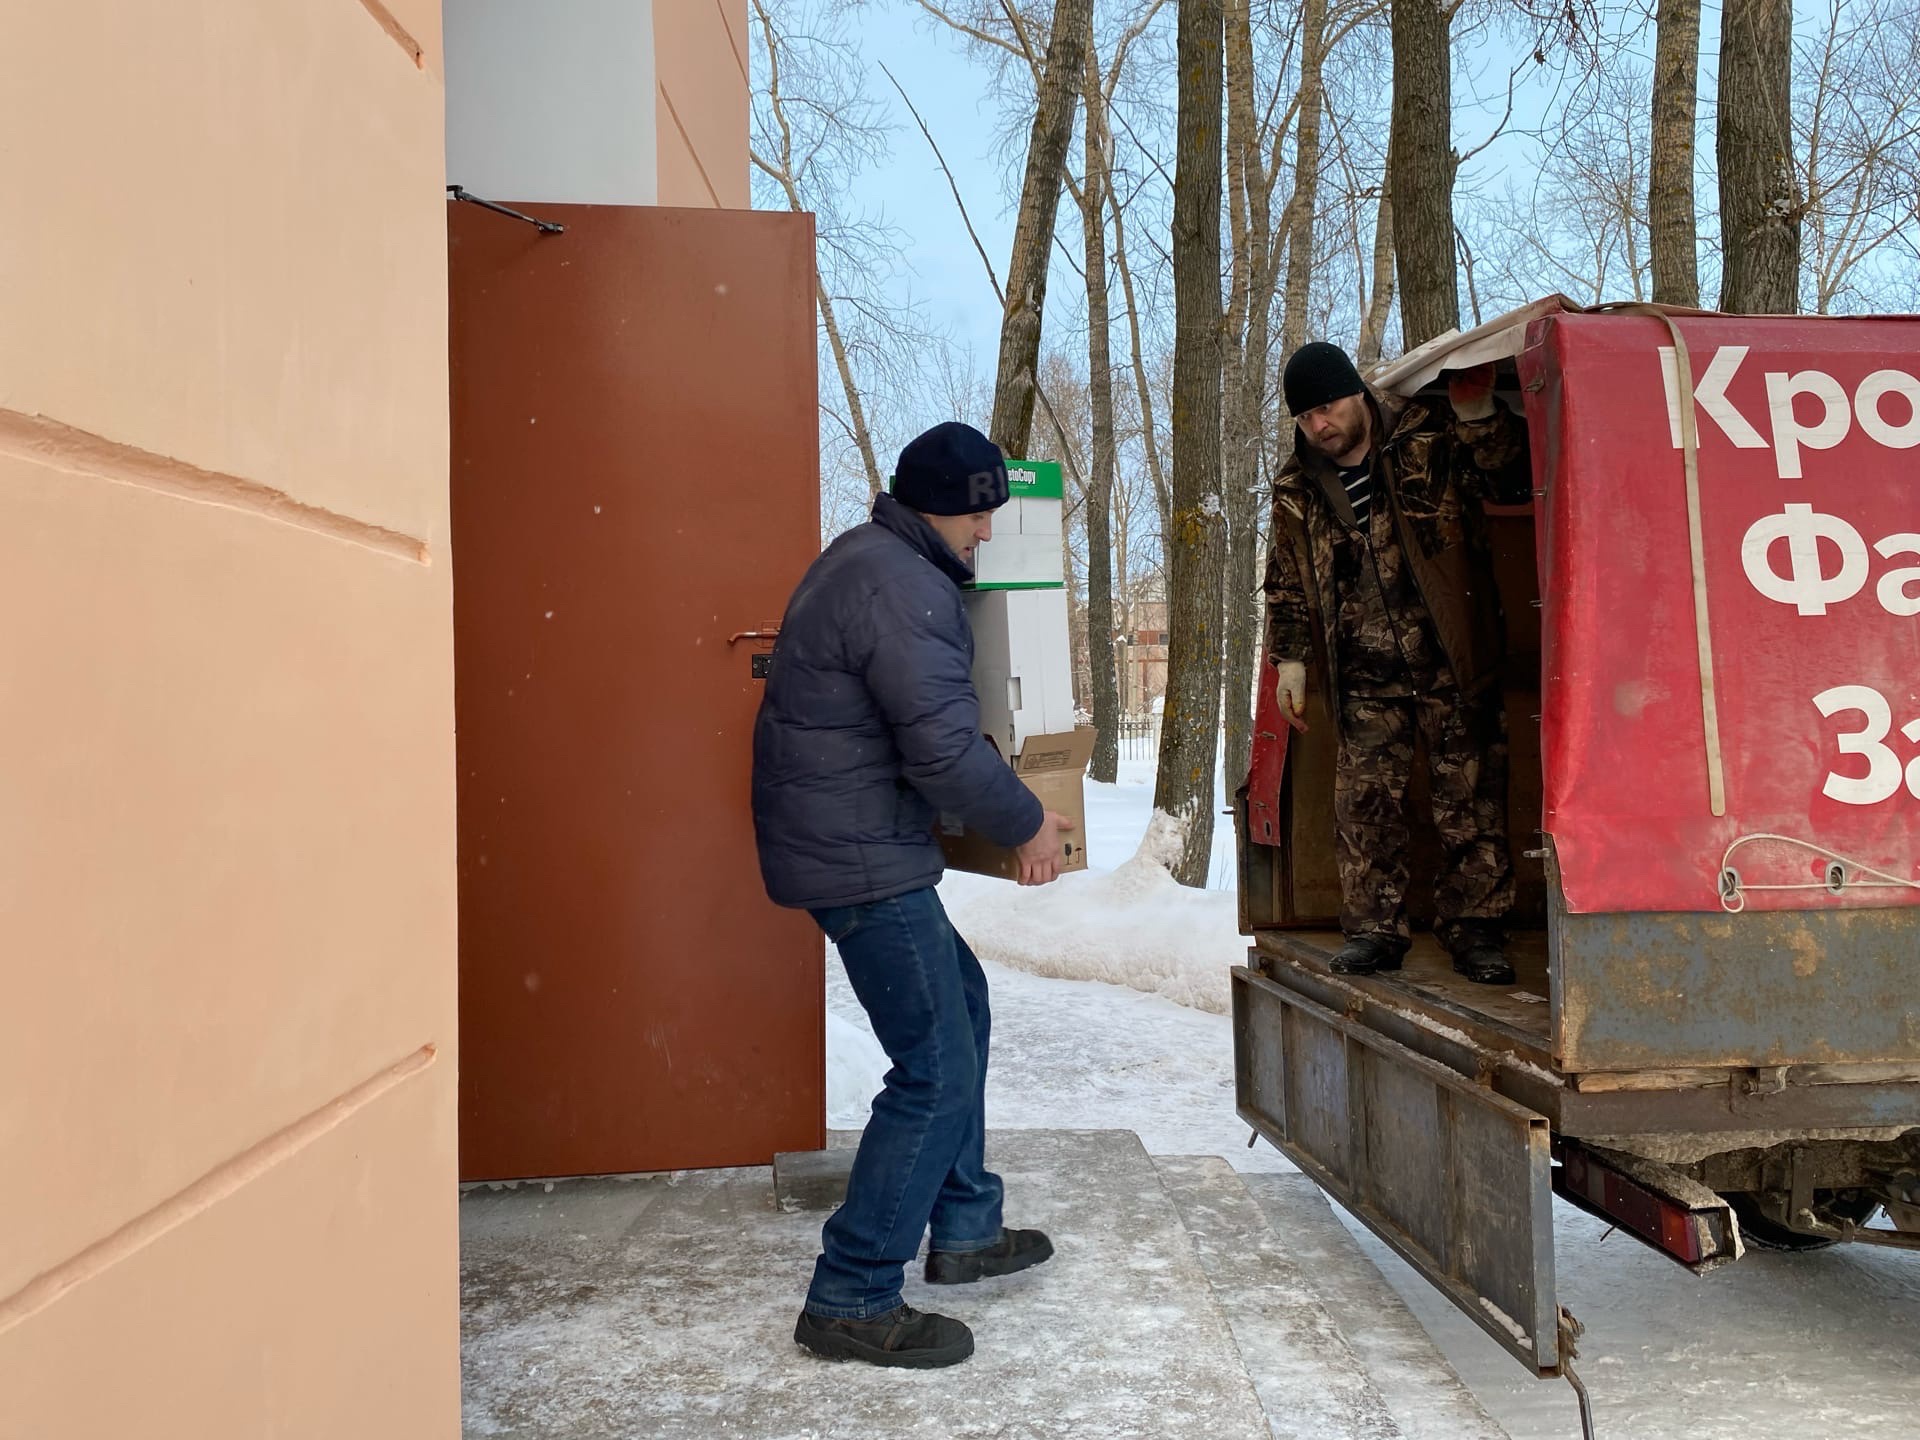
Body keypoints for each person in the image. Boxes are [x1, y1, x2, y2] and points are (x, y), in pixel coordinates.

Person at [752, 420, 1075, 1369]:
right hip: (859, 856)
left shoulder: (872, 559)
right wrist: (1026, 822)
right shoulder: (902, 586)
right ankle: (851, 1294)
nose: (986, 533)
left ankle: (968, 1228)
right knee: (933, 1066)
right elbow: (938, 748)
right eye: (982, 515)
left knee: (960, 1008)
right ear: (952, 504)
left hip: (853, 841)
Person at [1262, 341, 1530, 986]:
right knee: (1365, 808)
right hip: (1362, 673)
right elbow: (1287, 582)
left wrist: (1477, 414)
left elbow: (1510, 478)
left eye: (1325, 408)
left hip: (1453, 656)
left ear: (1355, 393)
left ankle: (1476, 928)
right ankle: (1376, 931)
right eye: (1304, 418)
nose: (1317, 426)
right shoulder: (1296, 485)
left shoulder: (1426, 435)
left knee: (1469, 802)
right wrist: (1289, 661)